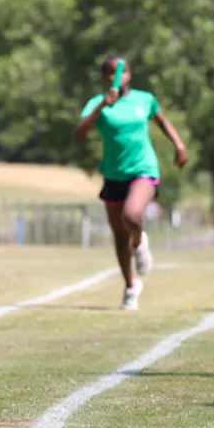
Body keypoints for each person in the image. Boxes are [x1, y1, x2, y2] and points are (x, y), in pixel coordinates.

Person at [74, 57, 188, 310]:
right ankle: (130, 286)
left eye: (124, 71)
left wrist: (179, 145)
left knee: (133, 215)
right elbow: (79, 133)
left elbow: (163, 122)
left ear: (130, 75)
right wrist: (102, 105)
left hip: (143, 170)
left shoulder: (144, 99)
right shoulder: (98, 103)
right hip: (114, 174)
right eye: (114, 72)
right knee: (118, 235)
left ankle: (139, 242)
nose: (120, 76)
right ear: (106, 77)